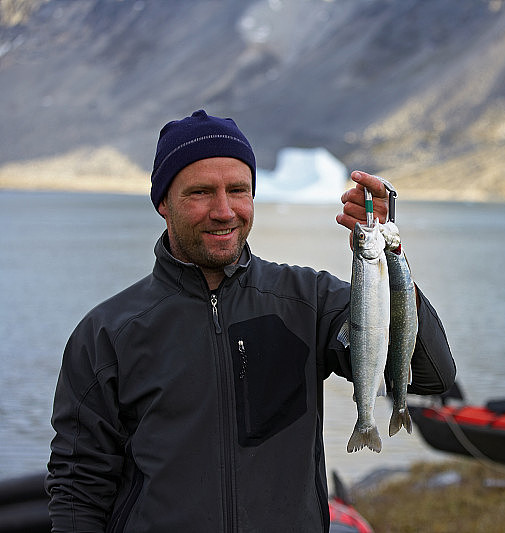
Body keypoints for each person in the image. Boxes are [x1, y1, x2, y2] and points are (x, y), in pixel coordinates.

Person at [45, 110, 456, 532]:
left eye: (238, 190)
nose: (224, 211)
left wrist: (390, 255)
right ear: (163, 203)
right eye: (201, 192)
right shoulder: (108, 334)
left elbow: (431, 375)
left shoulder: (308, 301)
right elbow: (79, 485)